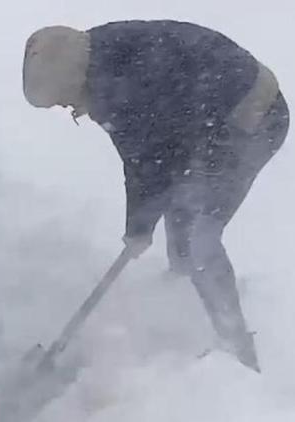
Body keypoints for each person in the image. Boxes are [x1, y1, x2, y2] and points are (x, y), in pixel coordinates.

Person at [22, 21, 290, 372]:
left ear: (72, 78)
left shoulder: (122, 84)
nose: (67, 107)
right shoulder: (99, 61)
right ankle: (181, 296)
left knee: (199, 236)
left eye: (61, 99)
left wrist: (139, 228)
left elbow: (151, 159)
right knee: (181, 208)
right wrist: (140, 225)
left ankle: (237, 348)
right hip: (207, 124)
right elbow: (144, 159)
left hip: (253, 117)